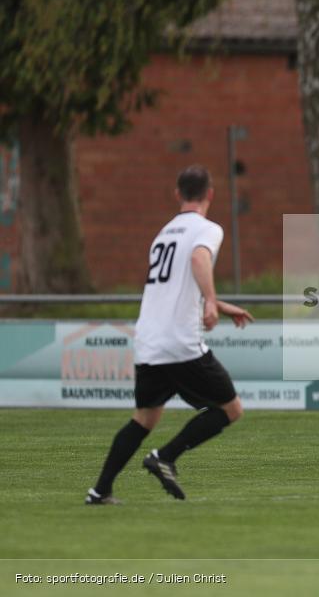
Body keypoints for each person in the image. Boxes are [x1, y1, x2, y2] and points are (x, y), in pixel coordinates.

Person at [85, 165, 254, 504]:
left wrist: (218, 304)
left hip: (150, 340)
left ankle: (100, 491)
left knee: (144, 418)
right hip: (181, 343)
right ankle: (165, 457)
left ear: (177, 194)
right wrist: (210, 301)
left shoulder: (163, 234)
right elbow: (199, 259)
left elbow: (174, 286)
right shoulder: (207, 229)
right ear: (210, 194)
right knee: (231, 409)